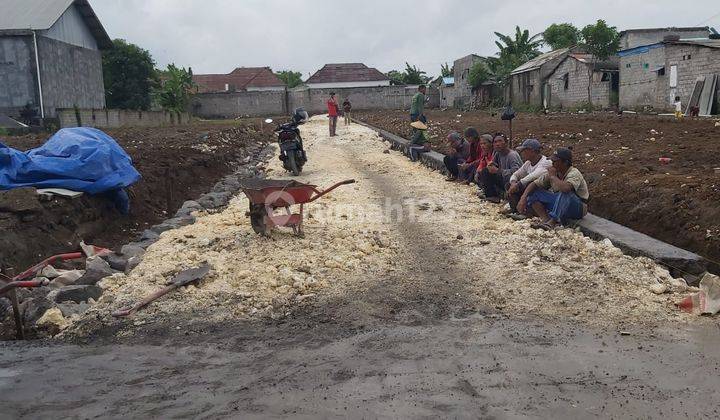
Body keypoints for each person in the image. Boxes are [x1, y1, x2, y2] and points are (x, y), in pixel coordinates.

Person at [518, 147, 589, 230]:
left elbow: (566, 188)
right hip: (560, 203)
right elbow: (534, 184)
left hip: (577, 208)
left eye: (555, 161)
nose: (552, 163)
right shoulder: (555, 172)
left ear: (565, 162)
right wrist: (523, 198)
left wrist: (553, 176)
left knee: (565, 192)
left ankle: (553, 222)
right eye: (552, 161)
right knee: (534, 192)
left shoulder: (574, 173)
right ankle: (546, 220)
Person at [506, 139, 552, 216]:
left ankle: (529, 211)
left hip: (543, 190)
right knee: (509, 185)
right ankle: (515, 209)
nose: (522, 153)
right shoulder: (528, 163)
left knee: (529, 185)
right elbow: (516, 174)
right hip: (530, 187)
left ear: (532, 151)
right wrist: (513, 183)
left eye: (524, 150)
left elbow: (533, 176)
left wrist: (518, 184)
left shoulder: (546, 162)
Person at [476, 133, 522, 203]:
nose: (497, 144)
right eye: (495, 142)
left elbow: (517, 172)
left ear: (506, 143)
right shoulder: (498, 153)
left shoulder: (512, 155)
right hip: (503, 178)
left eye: (500, 141)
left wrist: (498, 171)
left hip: (512, 182)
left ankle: (499, 195)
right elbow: (492, 164)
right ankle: (491, 195)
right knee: (485, 171)